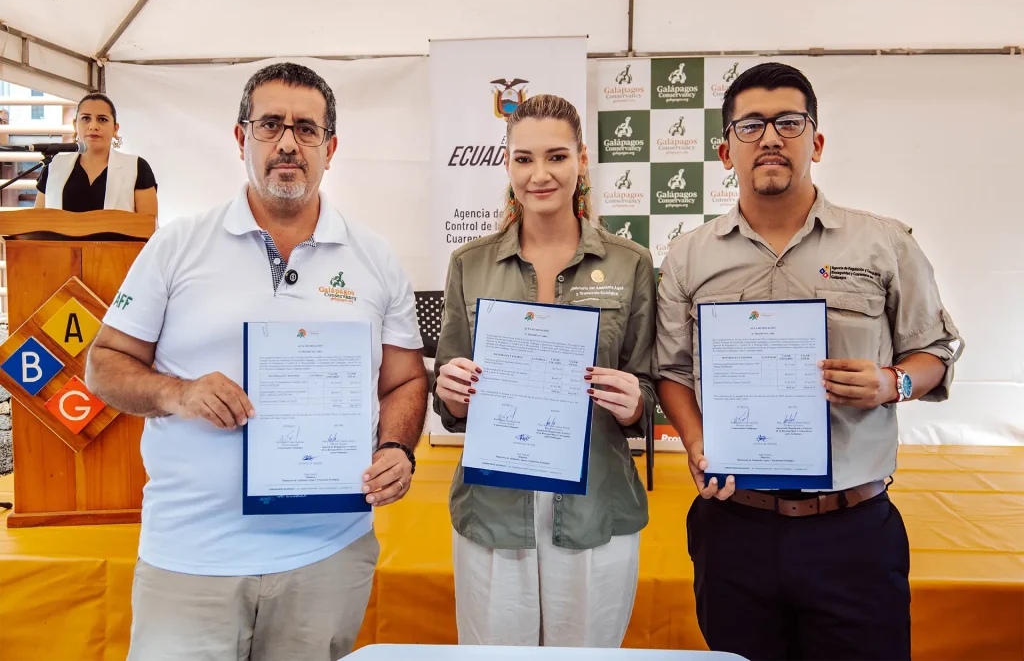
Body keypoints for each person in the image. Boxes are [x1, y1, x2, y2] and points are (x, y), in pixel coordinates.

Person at [84, 63, 428, 661]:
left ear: (331, 147)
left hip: (327, 556)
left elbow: (404, 380)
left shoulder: (375, 258)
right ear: (242, 139)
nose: (288, 142)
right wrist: (178, 392)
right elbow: (104, 364)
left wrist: (397, 450)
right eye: (270, 125)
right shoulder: (177, 244)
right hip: (190, 557)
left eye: (306, 129)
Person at [655, 62, 964, 661]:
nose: (770, 137)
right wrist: (696, 444)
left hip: (851, 529)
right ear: (727, 151)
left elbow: (938, 350)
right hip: (733, 524)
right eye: (750, 126)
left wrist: (892, 381)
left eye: (788, 122)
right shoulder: (688, 257)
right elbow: (670, 371)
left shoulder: (882, 242)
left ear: (815, 142)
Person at [432, 94, 655, 647]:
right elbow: (448, 394)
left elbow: (652, 386)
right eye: (524, 158)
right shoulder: (471, 264)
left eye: (556, 156)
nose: (540, 174)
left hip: (594, 508)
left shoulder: (631, 264)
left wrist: (636, 403)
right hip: (495, 509)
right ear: (507, 165)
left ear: (582, 160)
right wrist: (453, 392)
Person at [34, 92, 158, 215]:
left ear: (115, 129)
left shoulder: (136, 167)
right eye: (86, 118)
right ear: (75, 125)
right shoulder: (54, 166)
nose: (93, 126)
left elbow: (148, 227)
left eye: (102, 119)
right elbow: (36, 222)